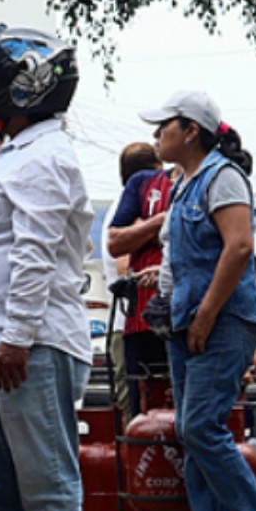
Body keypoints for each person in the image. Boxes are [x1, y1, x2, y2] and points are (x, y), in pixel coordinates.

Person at [0, 25, 93, 511]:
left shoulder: (44, 156)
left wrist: (16, 337)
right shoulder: (16, 154)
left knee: (47, 494)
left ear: (25, 84)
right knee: (0, 496)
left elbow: (36, 252)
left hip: (27, 347)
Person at [137, 90, 256, 511]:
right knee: (192, 433)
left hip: (222, 321)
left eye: (165, 127)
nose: (157, 136)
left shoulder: (223, 177)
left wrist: (208, 312)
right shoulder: (183, 182)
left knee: (199, 429)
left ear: (192, 131)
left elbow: (239, 247)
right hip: (187, 321)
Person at [107, 142, 172, 418]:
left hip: (190, 319)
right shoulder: (141, 186)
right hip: (139, 320)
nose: (160, 138)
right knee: (139, 412)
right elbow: (117, 246)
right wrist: (160, 222)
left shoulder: (209, 182)